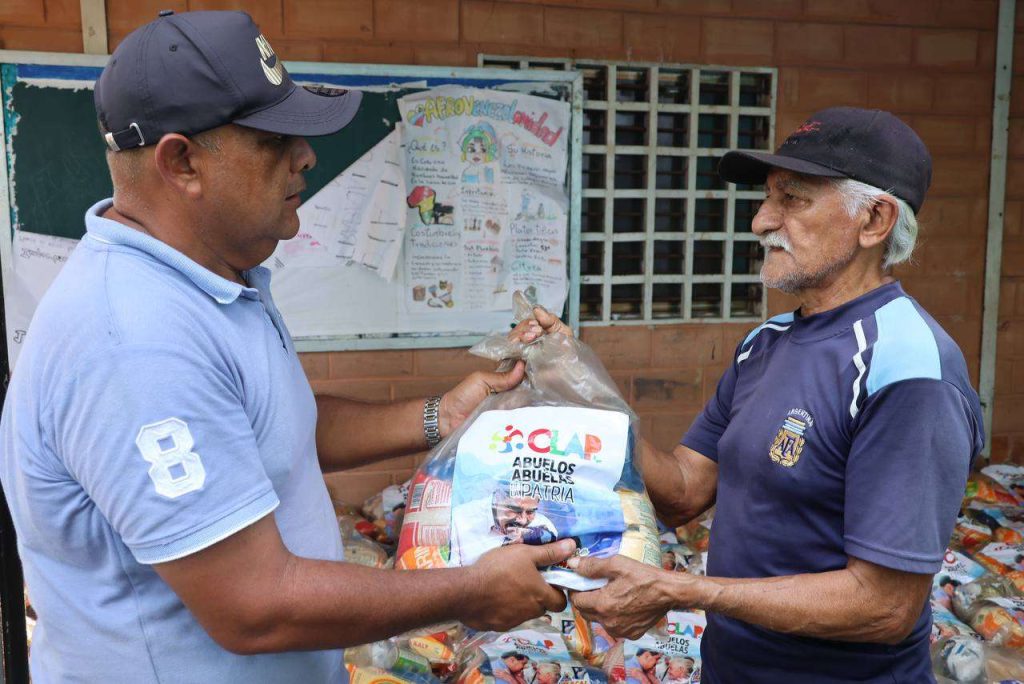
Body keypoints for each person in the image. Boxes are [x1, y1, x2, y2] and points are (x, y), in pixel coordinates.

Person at [0, 11, 575, 684]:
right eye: (276, 138)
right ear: (182, 161)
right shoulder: (132, 338)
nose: (305, 155)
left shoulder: (216, 278)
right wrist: (471, 590)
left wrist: (439, 415)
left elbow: (269, 427)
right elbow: (255, 607)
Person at [534, 108, 984, 682]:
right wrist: (579, 385)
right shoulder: (764, 345)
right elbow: (684, 491)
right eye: (768, 198)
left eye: (792, 199)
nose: (761, 220)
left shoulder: (907, 367)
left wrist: (683, 590)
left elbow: (885, 606)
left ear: (874, 220)